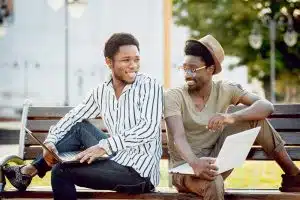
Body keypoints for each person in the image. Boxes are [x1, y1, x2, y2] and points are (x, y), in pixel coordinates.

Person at [4, 33, 163, 200]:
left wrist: (103, 146)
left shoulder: (150, 86)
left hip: (138, 173)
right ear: (109, 62)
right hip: (118, 155)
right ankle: (29, 171)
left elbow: (148, 129)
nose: (133, 65)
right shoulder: (102, 91)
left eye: (136, 59)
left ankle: (28, 171)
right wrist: (51, 141)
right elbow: (74, 116)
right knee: (79, 127)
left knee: (61, 172)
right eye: (126, 60)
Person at [164, 34, 300, 200]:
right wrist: (195, 163)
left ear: (210, 69)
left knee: (255, 119)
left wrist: (231, 118)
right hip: (184, 169)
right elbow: (178, 137)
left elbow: (266, 106)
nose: (187, 74)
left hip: (215, 162)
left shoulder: (225, 89)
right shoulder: (173, 96)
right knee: (214, 183)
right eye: (184, 68)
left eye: (193, 69)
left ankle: (293, 176)